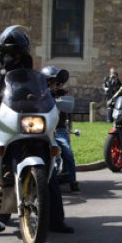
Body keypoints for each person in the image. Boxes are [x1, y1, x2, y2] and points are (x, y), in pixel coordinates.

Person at [0, 26, 74, 233]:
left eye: (19, 52)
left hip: (25, 119)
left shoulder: (29, 69)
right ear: (1, 52)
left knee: (49, 163)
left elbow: (37, 90)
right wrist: (3, 72)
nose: (15, 56)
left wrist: (44, 99)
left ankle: (56, 220)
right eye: (10, 52)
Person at [43, 65, 78, 193]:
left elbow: (66, 109)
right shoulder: (39, 95)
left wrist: (58, 96)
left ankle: (73, 181)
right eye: (51, 81)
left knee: (67, 152)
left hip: (58, 129)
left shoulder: (61, 95)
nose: (54, 84)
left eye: (56, 82)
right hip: (42, 130)